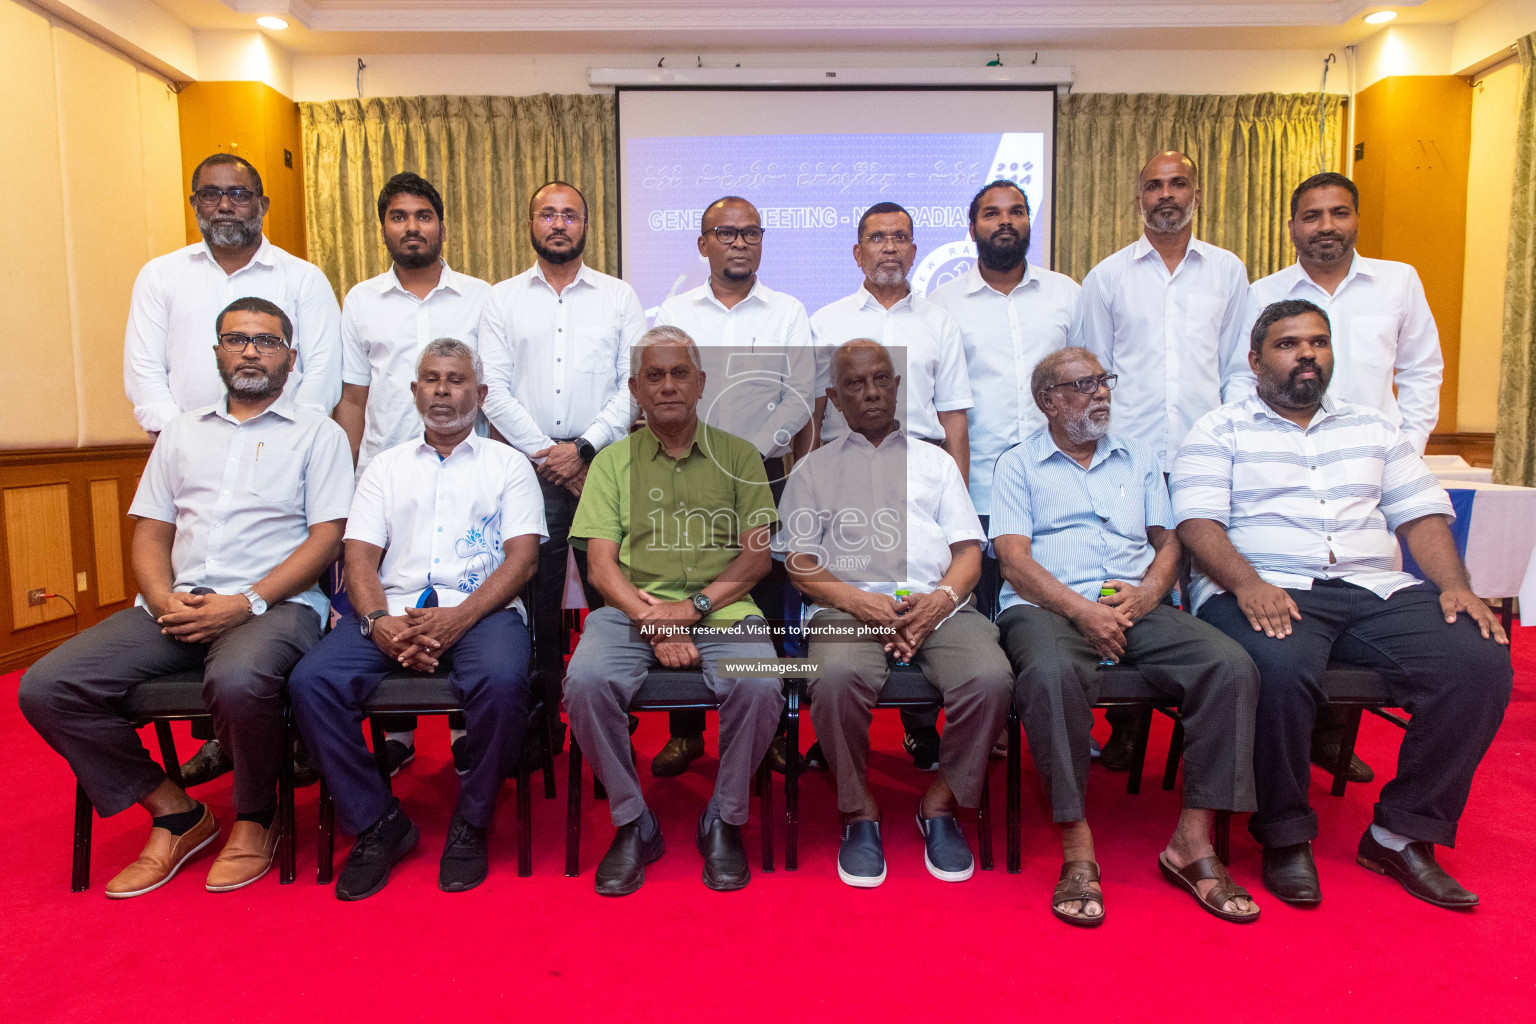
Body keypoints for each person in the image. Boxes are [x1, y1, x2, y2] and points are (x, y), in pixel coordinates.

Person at [1174, 299, 1511, 910]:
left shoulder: (1374, 427)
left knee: (1478, 661)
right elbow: (1198, 524)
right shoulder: (1220, 428)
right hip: (1264, 583)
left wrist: (1455, 585)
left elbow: (1421, 514)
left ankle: (1401, 833)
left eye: (1318, 342)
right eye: (1288, 344)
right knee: (1276, 666)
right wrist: (1248, 584)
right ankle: (1285, 836)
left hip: (1372, 588)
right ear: (1255, 361)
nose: (1307, 353)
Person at [20, 297, 351, 897]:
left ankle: (255, 815)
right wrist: (160, 596)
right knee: (48, 686)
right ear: (218, 352)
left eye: (267, 340)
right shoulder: (180, 433)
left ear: (291, 357)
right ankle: (176, 812)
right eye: (237, 339)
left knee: (240, 679)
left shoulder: (317, 434)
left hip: (276, 607)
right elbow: (151, 529)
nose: (251, 349)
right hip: (178, 605)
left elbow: (327, 537)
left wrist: (247, 602)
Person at [992, 347, 1260, 926]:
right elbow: (1012, 560)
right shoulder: (1017, 464)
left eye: (1103, 381)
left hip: (1131, 601)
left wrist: (1146, 595)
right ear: (1048, 401)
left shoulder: (1138, 459)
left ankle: (1193, 841)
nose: (1101, 393)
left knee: (1229, 664)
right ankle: (1077, 842)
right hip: (1047, 605)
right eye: (1083, 384)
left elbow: (1168, 543)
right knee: (1050, 673)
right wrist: (1080, 609)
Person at [289, 339, 547, 900]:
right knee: (312, 683)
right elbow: (358, 557)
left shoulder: (510, 465)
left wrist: (457, 619)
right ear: (412, 392)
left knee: (504, 683)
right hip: (396, 610)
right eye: (431, 379)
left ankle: (472, 819)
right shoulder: (384, 467)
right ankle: (379, 821)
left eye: (456, 380)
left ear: (479, 395)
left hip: (483, 610)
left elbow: (523, 558)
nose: (442, 390)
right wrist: (378, 619)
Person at [1240, 173, 1448, 784]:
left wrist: (1399, 456)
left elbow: (1422, 373)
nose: (1325, 226)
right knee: (1295, 607)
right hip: (1283, 468)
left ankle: (1332, 737)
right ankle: (1295, 740)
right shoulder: (1263, 292)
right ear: (1292, 226)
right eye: (1311, 216)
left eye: (1338, 213)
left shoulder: (1398, 281)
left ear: (1356, 218)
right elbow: (1241, 377)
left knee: (1360, 594)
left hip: (1369, 476)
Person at [563, 326, 785, 896]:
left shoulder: (740, 456)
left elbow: (757, 558)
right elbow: (601, 568)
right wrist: (653, 620)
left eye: (679, 373)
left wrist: (693, 607)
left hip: (725, 610)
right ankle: (634, 821)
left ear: (701, 383)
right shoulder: (612, 463)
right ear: (635, 388)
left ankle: (725, 819)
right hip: (630, 610)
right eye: (654, 376)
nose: (668, 386)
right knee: (585, 682)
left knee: (762, 685)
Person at [781, 339, 1010, 888]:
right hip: (848, 605)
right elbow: (799, 562)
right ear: (833, 398)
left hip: (937, 603)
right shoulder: (812, 470)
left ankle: (941, 802)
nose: (872, 392)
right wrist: (862, 603)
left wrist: (936, 605)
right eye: (855, 385)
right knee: (834, 679)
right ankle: (859, 812)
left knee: (992, 678)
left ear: (899, 386)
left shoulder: (935, 461)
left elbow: (968, 552)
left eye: (881, 379)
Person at [1071, 151, 1251, 771]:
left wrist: (1233, 445)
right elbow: (1092, 375)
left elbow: (1235, 368)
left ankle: (1213, 723)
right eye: (1154, 185)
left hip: (1208, 456)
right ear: (1138, 197)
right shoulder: (1108, 277)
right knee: (1131, 583)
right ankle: (1127, 724)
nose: (1165, 194)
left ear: (1197, 193)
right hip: (1131, 460)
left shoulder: (1228, 272)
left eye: (1177, 184)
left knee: (1207, 586)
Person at [333, 171, 492, 774]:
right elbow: (352, 396)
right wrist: (343, 481)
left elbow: (490, 392)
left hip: (463, 466)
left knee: (459, 582)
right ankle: (395, 737)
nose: (412, 227)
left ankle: (461, 735)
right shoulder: (360, 300)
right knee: (391, 591)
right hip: (385, 474)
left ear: (443, 224)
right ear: (384, 228)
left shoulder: (480, 296)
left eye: (423, 216)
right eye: (399, 217)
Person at [651, 196, 815, 775]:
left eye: (750, 232)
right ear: (703, 244)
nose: (739, 241)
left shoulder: (788, 311)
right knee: (683, 581)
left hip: (760, 470)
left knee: (764, 597)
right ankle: (687, 731)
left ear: (763, 241)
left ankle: (766, 729)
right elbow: (658, 388)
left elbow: (800, 394)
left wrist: (747, 452)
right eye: (726, 232)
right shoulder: (673, 311)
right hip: (681, 467)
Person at [926, 179, 1079, 767]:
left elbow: (1086, 379)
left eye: (1016, 211)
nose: (1005, 221)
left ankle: (1054, 718)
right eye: (992, 213)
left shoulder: (1067, 294)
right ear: (972, 229)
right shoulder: (943, 305)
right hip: (980, 477)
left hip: (1056, 481)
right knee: (983, 608)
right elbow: (944, 402)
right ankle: (987, 725)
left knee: (1049, 602)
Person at [478, 181, 644, 722]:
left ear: (586, 225)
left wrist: (585, 447)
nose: (558, 223)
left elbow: (632, 382)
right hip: (529, 470)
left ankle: (612, 715)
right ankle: (542, 720)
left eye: (569, 215)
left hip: (605, 465)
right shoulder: (501, 298)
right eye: (547, 214)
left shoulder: (618, 296)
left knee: (609, 592)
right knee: (538, 602)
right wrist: (551, 454)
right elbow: (493, 390)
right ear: (530, 225)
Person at [124, 153, 341, 435]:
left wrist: (292, 437)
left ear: (262, 205)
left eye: (239, 194)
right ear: (195, 204)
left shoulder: (305, 279)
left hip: (282, 447)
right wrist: (178, 436)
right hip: (185, 447)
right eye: (210, 194)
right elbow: (144, 369)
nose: (224, 206)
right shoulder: (159, 275)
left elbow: (323, 371)